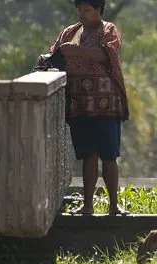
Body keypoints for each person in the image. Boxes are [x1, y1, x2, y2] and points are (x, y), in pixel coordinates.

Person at [49, 0, 129, 215]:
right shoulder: (69, 33)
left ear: (99, 10)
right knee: (88, 156)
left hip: (106, 104)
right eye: (79, 9)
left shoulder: (108, 30)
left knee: (109, 156)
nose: (81, 14)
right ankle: (88, 205)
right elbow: (54, 56)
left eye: (87, 10)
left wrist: (76, 51)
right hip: (80, 104)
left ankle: (114, 205)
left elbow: (107, 54)